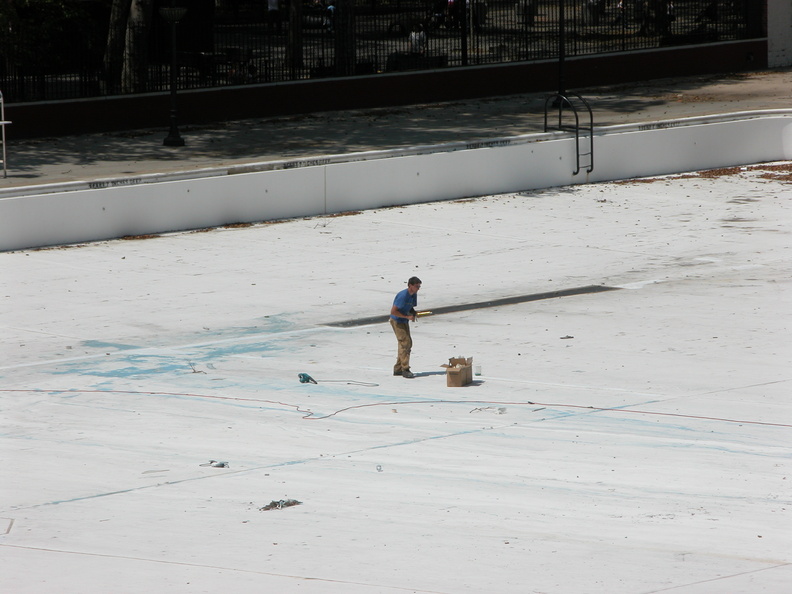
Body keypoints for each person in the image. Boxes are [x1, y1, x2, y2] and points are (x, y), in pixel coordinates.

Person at [390, 276, 421, 378]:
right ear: (410, 286)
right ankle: (405, 369)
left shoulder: (413, 295)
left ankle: (398, 368)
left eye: (419, 286)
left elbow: (410, 306)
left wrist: (413, 313)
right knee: (405, 343)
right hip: (397, 321)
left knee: (406, 344)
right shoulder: (403, 295)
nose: (418, 288)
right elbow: (393, 311)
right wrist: (407, 316)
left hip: (404, 320)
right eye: (416, 286)